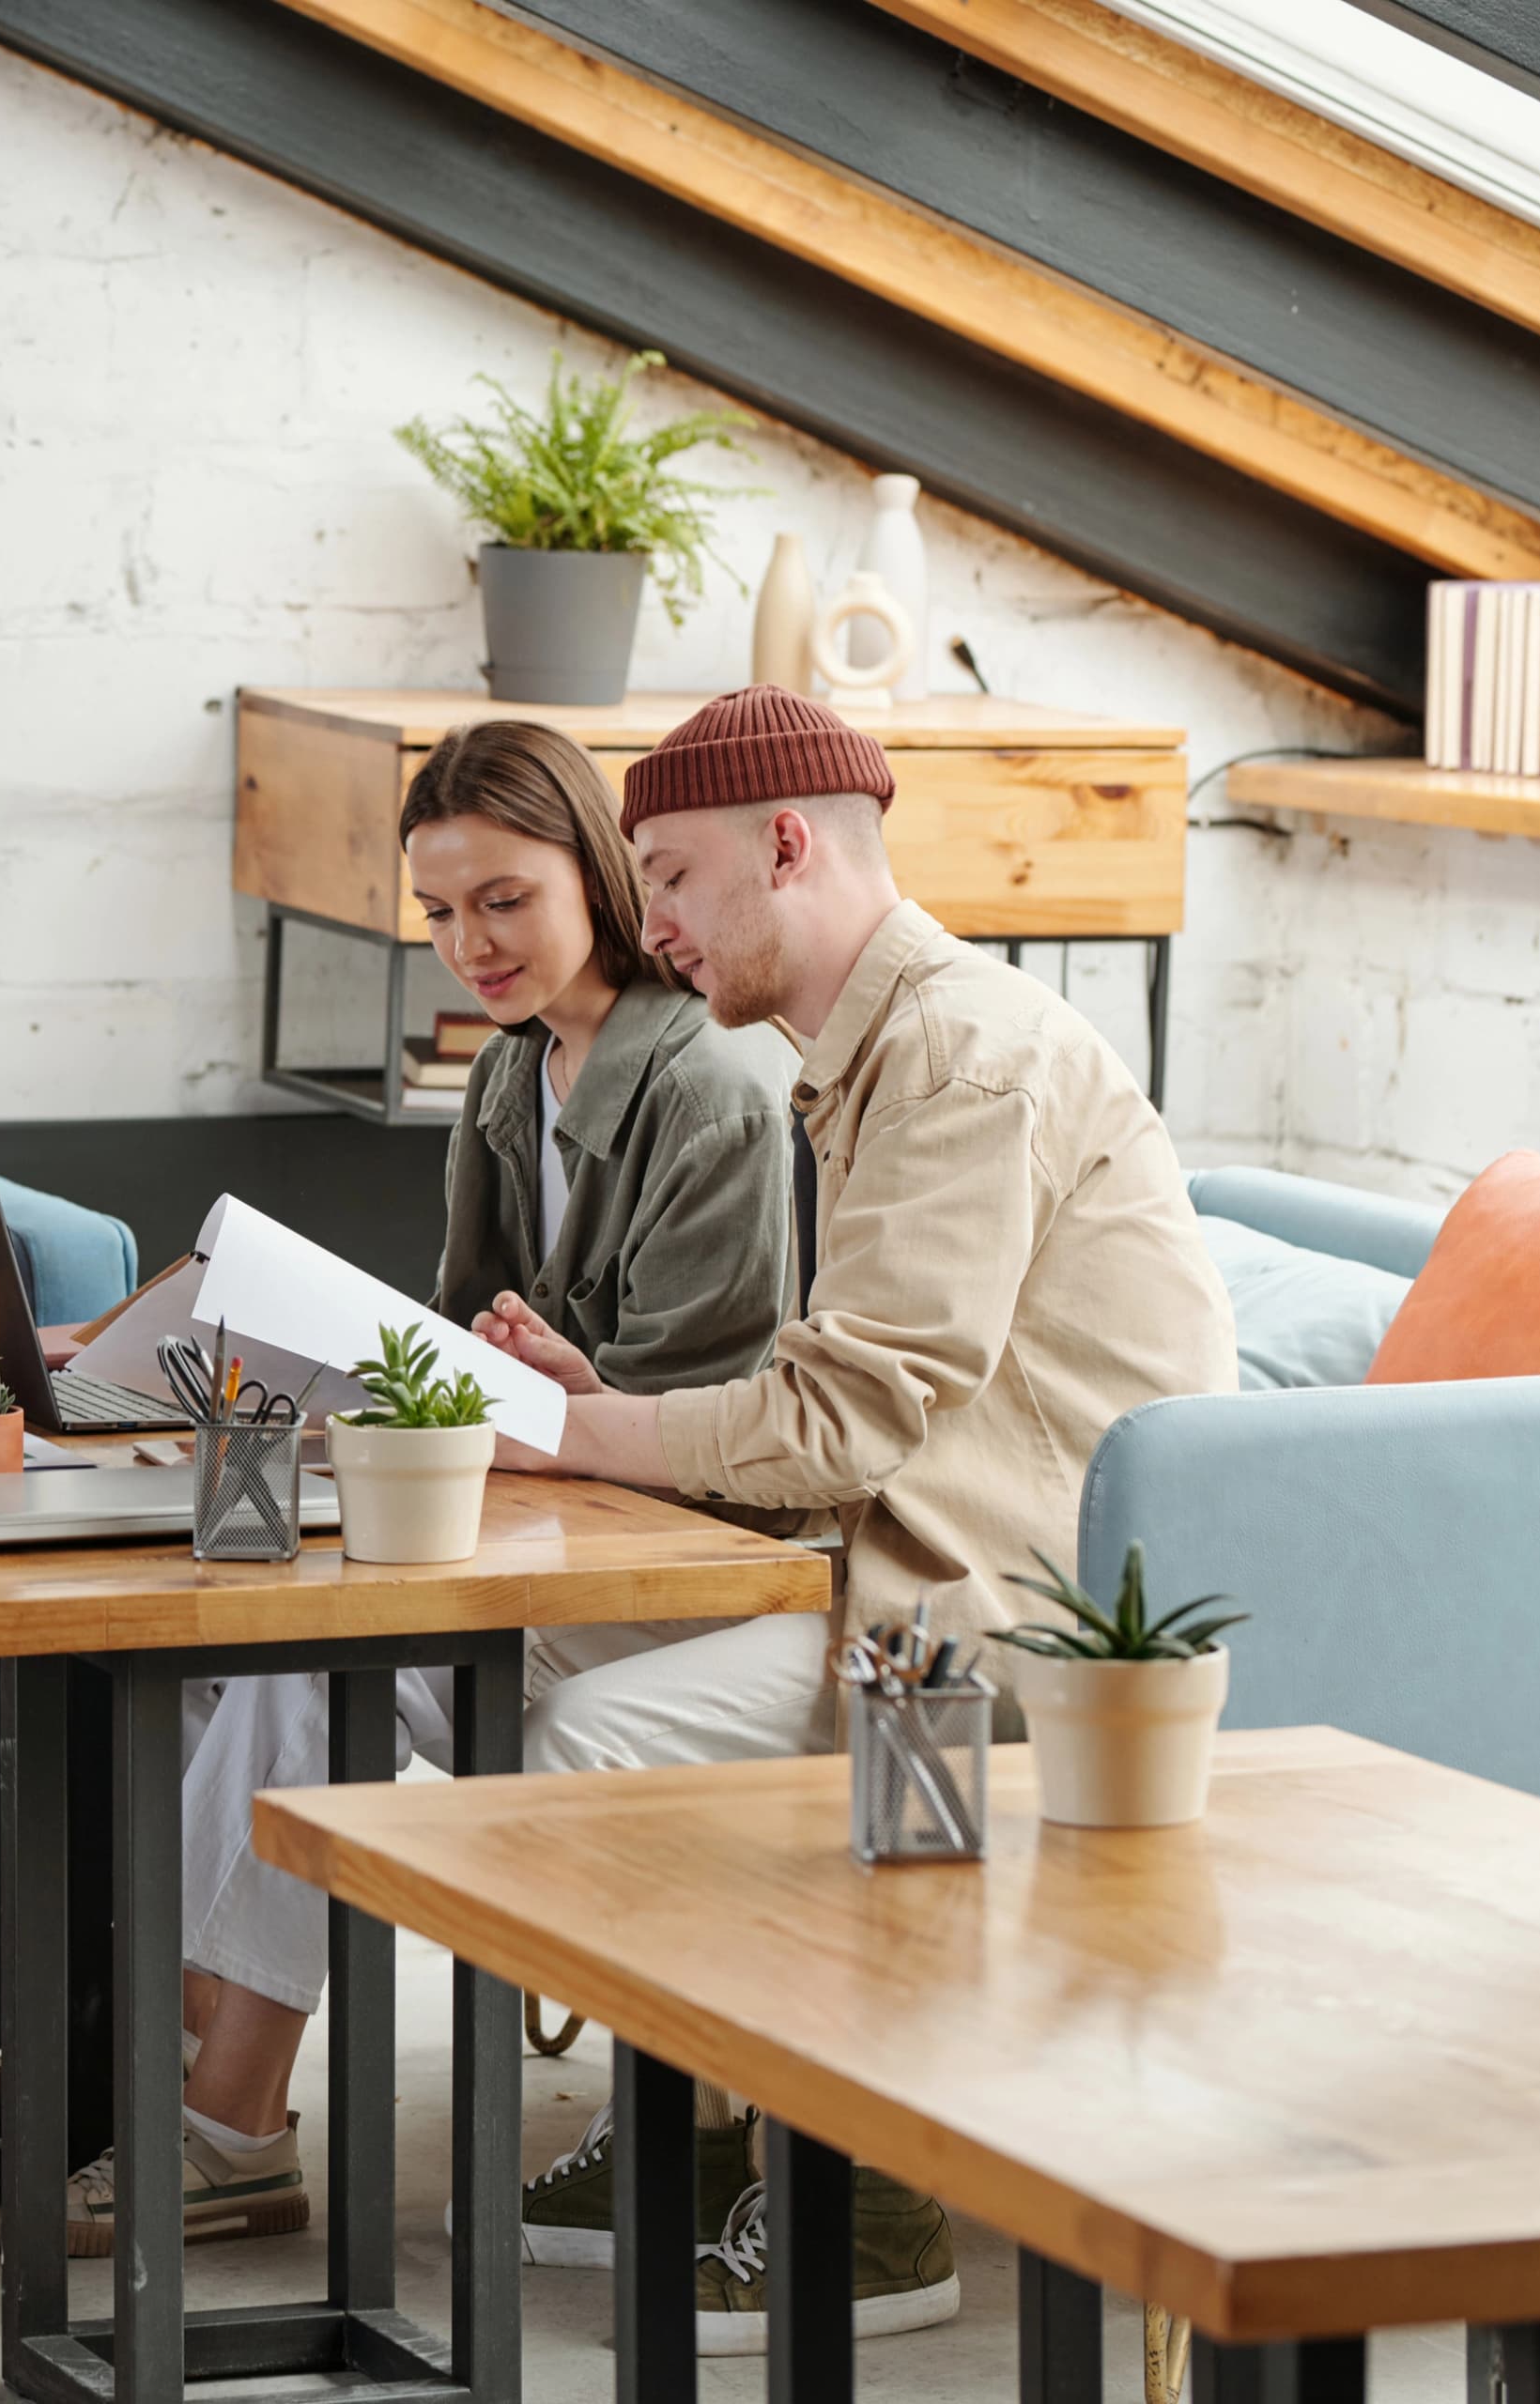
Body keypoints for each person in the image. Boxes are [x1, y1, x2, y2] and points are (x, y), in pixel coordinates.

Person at [476, 682, 1238, 2348]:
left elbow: (851, 1404)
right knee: (507, 1643)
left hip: (1010, 1620)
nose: (647, 918)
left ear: (789, 848)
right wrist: (587, 1421)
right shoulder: (873, 1054)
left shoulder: (962, 1058)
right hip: (894, 1563)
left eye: (668, 876)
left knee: (588, 1741)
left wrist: (584, 1433)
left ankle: (865, 2190)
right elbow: (852, 1407)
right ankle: (702, 2125)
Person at [66, 718, 804, 2258]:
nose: (469, 945)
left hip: (687, 1585)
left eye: (504, 902)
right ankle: (205, 2083)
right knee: (226, 1655)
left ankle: (225, 2119)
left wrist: (507, 1389)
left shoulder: (715, 1087)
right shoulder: (508, 1079)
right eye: (440, 915)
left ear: (598, 874)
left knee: (304, 1661)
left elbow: (708, 1443)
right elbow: (451, 1358)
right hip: (542, 1549)